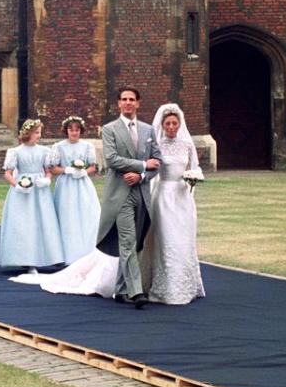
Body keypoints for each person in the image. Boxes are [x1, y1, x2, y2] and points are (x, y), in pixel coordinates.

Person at [96, 87, 161, 309]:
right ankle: (136, 292)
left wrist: (142, 175)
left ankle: (121, 290)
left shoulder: (148, 130)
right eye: (124, 99)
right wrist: (142, 165)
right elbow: (112, 159)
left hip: (141, 193)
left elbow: (157, 162)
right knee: (127, 241)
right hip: (120, 194)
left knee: (136, 243)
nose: (128, 103)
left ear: (138, 103)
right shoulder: (109, 129)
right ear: (118, 104)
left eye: (132, 99)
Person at [145, 104, 205, 305]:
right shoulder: (156, 145)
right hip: (164, 196)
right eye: (168, 123)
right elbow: (150, 170)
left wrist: (193, 178)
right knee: (167, 240)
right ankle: (167, 288)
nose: (171, 127)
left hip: (183, 197)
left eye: (174, 123)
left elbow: (195, 168)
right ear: (162, 124)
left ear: (179, 124)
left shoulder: (187, 144)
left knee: (183, 241)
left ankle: (188, 285)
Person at [0, 119, 64, 273]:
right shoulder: (15, 152)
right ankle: (26, 259)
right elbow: (7, 174)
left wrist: (47, 179)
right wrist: (17, 185)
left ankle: (48, 256)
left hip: (40, 191)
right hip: (23, 191)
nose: (39, 136)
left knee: (43, 221)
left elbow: (48, 170)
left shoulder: (44, 151)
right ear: (28, 133)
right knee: (24, 223)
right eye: (36, 133)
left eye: (39, 132)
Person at [47, 116, 100, 264]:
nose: (74, 132)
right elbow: (53, 168)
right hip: (66, 185)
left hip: (82, 185)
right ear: (66, 130)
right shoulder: (58, 146)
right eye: (71, 129)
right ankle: (65, 254)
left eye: (77, 130)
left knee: (86, 215)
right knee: (67, 216)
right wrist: (67, 170)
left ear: (81, 131)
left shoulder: (87, 146)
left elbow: (92, 167)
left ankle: (86, 251)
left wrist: (84, 172)